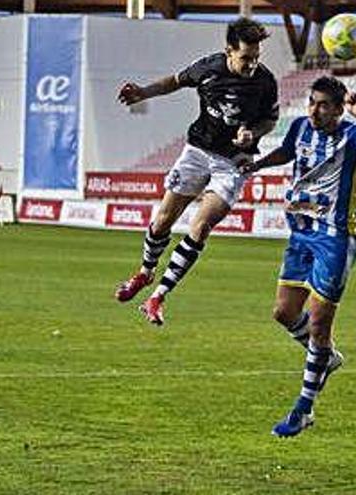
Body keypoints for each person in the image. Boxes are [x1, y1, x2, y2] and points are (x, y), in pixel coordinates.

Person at [245, 76, 356, 437]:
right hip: (300, 232)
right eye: (312, 102)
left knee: (319, 325)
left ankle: (303, 409)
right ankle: (325, 358)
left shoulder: (355, 136)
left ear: (338, 108)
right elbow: (288, 151)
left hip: (335, 239)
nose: (314, 110)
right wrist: (257, 165)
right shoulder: (300, 126)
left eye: (323, 105)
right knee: (283, 313)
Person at [113, 17, 278, 325]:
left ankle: (157, 297)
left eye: (256, 58)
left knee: (201, 226)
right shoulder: (209, 68)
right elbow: (175, 81)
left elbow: (270, 120)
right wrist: (143, 92)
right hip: (197, 151)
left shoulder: (265, 82)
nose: (252, 64)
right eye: (246, 58)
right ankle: (145, 273)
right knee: (163, 220)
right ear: (228, 50)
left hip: (232, 162)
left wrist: (253, 133)